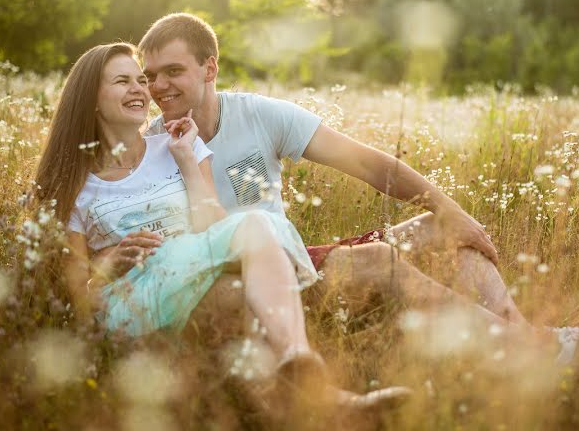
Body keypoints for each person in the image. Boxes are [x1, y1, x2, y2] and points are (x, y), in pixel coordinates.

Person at [121, 12, 579, 363]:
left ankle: (535, 346)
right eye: (150, 76)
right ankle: (551, 351)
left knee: (442, 232)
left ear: (210, 67)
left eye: (173, 71)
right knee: (380, 258)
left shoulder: (260, 116)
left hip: (296, 260)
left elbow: (372, 166)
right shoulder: (150, 149)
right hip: (240, 289)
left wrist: (452, 210)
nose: (158, 86)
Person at [33, 42, 409, 408]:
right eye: (122, 81)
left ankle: (301, 365)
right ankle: (324, 399)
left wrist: (184, 159)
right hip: (131, 297)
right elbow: (73, 293)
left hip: (191, 270)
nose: (140, 89)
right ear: (91, 98)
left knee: (256, 226)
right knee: (243, 266)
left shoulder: (179, 144)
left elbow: (213, 229)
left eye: (140, 80)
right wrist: (106, 264)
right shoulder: (73, 185)